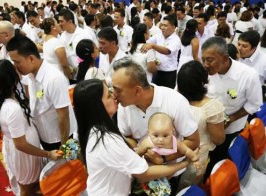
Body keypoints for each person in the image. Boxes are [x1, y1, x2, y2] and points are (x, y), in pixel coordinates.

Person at [73, 78, 190, 195]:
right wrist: (184, 163)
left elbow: (124, 156)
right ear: (97, 106)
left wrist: (142, 149)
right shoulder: (106, 140)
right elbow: (144, 174)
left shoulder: (97, 130)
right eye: (108, 95)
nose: (114, 96)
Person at [112, 57, 199, 194]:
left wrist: (164, 158)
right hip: (142, 171)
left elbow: (193, 140)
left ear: (137, 91)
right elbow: (128, 136)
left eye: (117, 90)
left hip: (172, 172)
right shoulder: (124, 106)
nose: (114, 96)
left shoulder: (175, 101)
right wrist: (138, 151)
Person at [0, 59, 61, 196]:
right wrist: (48, 154)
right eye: (14, 68)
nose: (18, 68)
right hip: (24, 154)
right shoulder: (11, 108)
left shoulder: (5, 102)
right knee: (28, 188)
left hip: (25, 151)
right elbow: (20, 144)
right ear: (9, 78)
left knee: (30, 186)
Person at [201, 37, 262, 181]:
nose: (205, 64)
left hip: (230, 129)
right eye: (203, 59)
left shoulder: (247, 75)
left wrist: (230, 119)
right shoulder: (205, 72)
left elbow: (255, 104)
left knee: (218, 162)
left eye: (210, 60)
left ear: (224, 58)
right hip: (206, 127)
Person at [7, 35, 77, 151]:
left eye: (17, 62)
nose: (15, 66)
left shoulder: (54, 78)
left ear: (31, 59)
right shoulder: (29, 74)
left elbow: (63, 115)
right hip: (44, 134)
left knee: (71, 164)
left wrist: (64, 146)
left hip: (60, 137)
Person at [177, 60, 225, 188]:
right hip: (197, 156)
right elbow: (218, 139)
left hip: (174, 152)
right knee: (189, 187)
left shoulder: (175, 99)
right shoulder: (211, 107)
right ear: (202, 82)